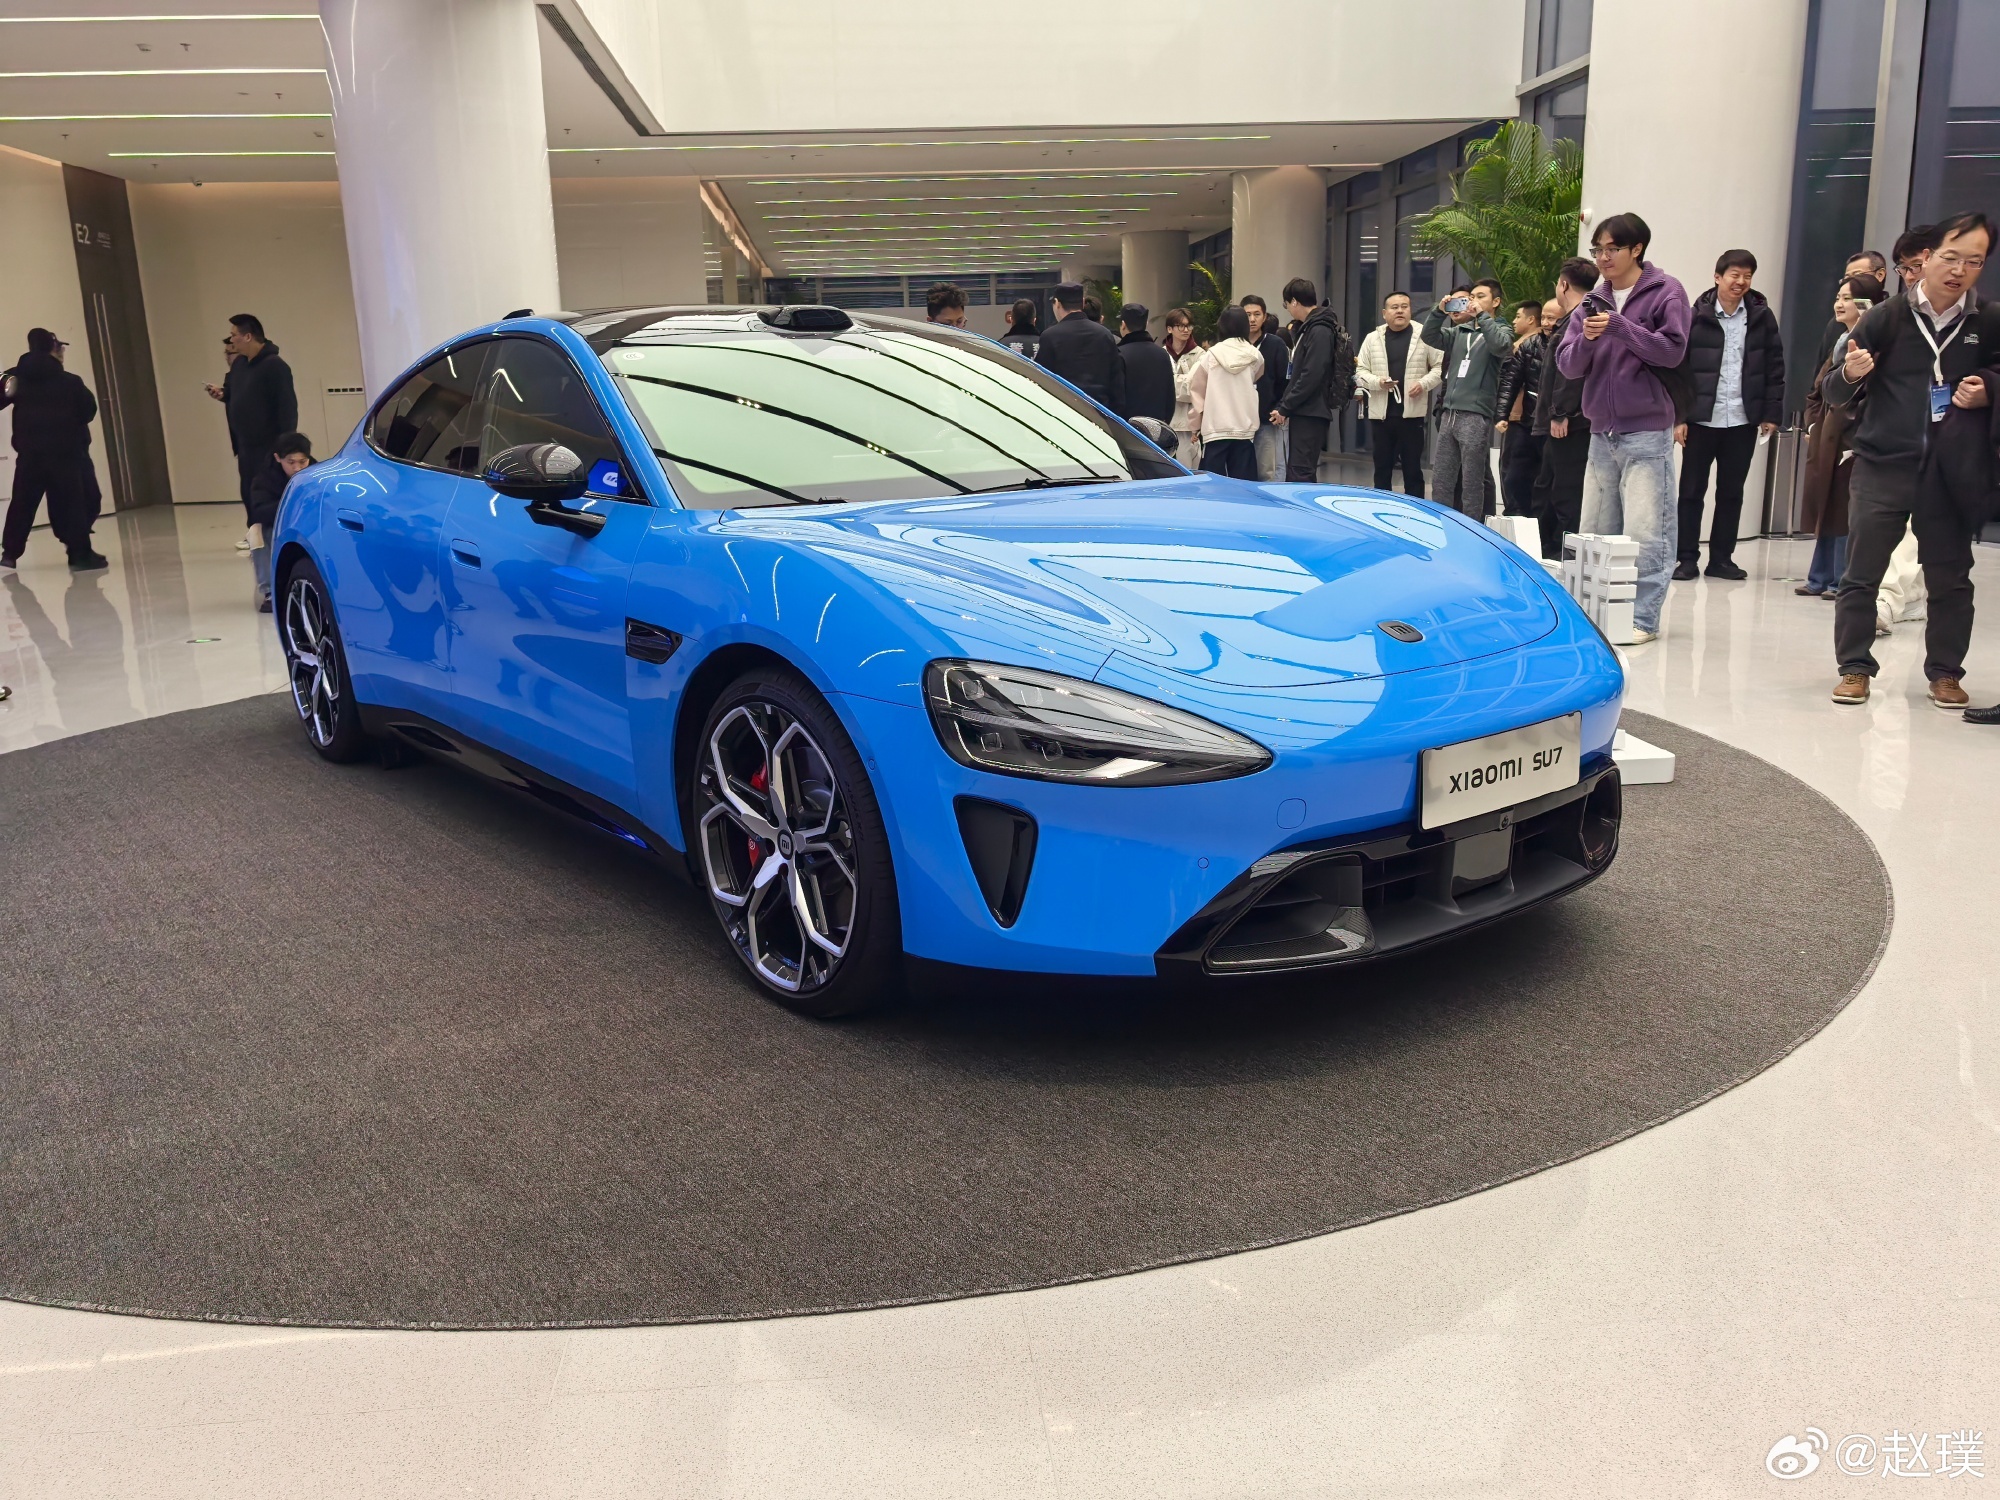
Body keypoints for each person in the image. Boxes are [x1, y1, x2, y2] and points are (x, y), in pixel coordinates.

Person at [1822, 210, 1994, 709]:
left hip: (1950, 471)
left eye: (1974, 261)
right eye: (1951, 257)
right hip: (1883, 464)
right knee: (1862, 574)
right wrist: (1851, 372)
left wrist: (1989, 389)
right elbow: (1833, 391)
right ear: (1927, 256)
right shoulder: (1887, 316)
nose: (1960, 270)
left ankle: (1945, 673)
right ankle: (1854, 667)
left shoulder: (1988, 321)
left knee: (1951, 579)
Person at [1556, 213, 1693, 645]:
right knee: (1595, 531)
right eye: (1597, 249)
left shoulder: (1666, 292)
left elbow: (1671, 352)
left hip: (1647, 430)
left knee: (1646, 530)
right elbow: (1567, 365)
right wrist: (1588, 339)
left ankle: (1642, 618)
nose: (1603, 257)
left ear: (1637, 249)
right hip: (1601, 431)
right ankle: (1595, 615)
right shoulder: (1592, 300)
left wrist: (1620, 326)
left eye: (1612, 248)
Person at [1672, 249, 1786, 581]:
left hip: (1742, 418)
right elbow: (1679, 370)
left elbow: (1775, 368)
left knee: (1731, 493)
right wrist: (1679, 417)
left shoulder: (1762, 317)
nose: (1741, 282)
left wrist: (1771, 413)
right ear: (1717, 277)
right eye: (1735, 275)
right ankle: (1686, 559)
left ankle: (1722, 559)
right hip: (1700, 419)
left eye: (1747, 276)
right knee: (1691, 492)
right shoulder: (1696, 316)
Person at [1797, 275, 1880, 599]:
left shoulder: (1872, 345)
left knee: (1844, 510)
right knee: (1826, 506)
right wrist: (1813, 425)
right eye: (1838, 297)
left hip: (1850, 439)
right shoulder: (1839, 340)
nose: (1839, 304)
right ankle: (1819, 576)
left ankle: (1839, 579)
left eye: (1848, 298)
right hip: (1826, 436)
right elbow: (1817, 390)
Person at [0, 328, 107, 572]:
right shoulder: (70, 381)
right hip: (65, 454)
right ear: (53, 349)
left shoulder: (15, 377)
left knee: (22, 503)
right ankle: (79, 554)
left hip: (30, 454)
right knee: (72, 504)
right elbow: (88, 411)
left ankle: (9, 554)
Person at [1420, 278, 1513, 518]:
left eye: (1481, 296)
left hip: (1475, 414)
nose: (1474, 301)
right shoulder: (1460, 332)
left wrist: (1482, 316)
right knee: (1442, 479)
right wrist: (1438, 311)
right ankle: (1440, 523)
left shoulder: (1502, 330)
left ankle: (1472, 527)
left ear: (1496, 301)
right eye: (1472, 297)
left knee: (1472, 482)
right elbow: (1429, 336)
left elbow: (1501, 346)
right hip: (1450, 412)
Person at [1532, 259, 1600, 560]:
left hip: (1571, 423)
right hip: (1563, 419)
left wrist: (1560, 412)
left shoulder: (1579, 319)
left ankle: (1567, 554)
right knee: (1548, 485)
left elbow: (1571, 374)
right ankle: (1548, 549)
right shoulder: (1576, 318)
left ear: (1563, 285)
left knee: (1566, 491)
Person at [204, 313, 296, 533]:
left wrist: (285, 447)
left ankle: (273, 533)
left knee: (267, 492)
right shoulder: (240, 365)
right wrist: (223, 394)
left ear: (247, 336)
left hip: (268, 446)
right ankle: (255, 533)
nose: (231, 339)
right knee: (248, 491)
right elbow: (236, 393)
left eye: (234, 335)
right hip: (245, 445)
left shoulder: (275, 366)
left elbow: (287, 408)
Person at [1354, 291, 1443, 497]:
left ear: (1410, 310)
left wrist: (1423, 384)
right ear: (1384, 313)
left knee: (1413, 471)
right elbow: (1360, 371)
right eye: (1394, 307)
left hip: (1412, 416)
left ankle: (1416, 511)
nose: (1400, 311)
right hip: (1381, 416)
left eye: (1404, 306)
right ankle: (1382, 508)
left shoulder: (1424, 335)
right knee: (1382, 469)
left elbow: (1439, 367)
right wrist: (1378, 382)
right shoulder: (1373, 338)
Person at [1272, 278, 1350, 484]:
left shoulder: (1319, 329)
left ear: (1294, 301)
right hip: (1304, 409)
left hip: (1311, 411)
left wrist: (1286, 406)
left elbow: (1311, 374)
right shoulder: (1309, 327)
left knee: (1301, 471)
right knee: (1298, 469)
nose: (1288, 309)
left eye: (1286, 304)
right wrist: (1285, 406)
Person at [1187, 306, 1264, 479]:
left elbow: (1198, 391)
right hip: (1244, 428)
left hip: (1215, 428)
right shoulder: (1255, 355)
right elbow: (1257, 376)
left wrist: (1195, 425)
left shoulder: (1211, 355)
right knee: (1244, 484)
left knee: (1212, 484)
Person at [246, 431, 314, 611]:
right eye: (291, 462)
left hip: (309, 525)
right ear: (278, 458)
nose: (297, 468)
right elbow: (259, 512)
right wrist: (292, 505)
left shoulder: (317, 474)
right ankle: (270, 591)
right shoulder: (264, 479)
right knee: (256, 532)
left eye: (303, 462)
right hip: (277, 525)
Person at [1035, 283, 1126, 414]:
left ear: (1057, 303)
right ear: (1082, 303)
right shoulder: (1104, 334)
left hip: (1065, 412)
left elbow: (1043, 380)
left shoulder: (1050, 336)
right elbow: (1116, 382)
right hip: (1101, 412)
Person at [1494, 299, 1548, 515]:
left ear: (1531, 319)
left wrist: (1503, 413)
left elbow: (1509, 381)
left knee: (1514, 472)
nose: (1514, 321)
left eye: (1518, 316)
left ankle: (1517, 515)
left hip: (1523, 417)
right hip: (1521, 416)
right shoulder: (1526, 344)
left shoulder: (1525, 345)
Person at [1239, 296, 1291, 481]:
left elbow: (1284, 381)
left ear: (1265, 316)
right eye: (1247, 315)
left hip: (1266, 418)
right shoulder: (1234, 345)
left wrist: (1280, 407)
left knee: (1266, 472)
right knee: (1239, 473)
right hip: (1238, 421)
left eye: (1257, 314)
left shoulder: (1275, 344)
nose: (1252, 319)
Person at [1816, 250, 1892, 371]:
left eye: (1858, 275)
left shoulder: (1891, 317)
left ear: (1880, 275)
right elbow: (1821, 366)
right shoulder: (1836, 323)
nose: (1851, 282)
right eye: (1847, 278)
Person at [1114, 303, 1176, 424]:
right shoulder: (1162, 354)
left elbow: (1116, 398)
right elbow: (1170, 399)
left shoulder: (1119, 354)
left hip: (1127, 428)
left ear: (1123, 324)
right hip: (1156, 427)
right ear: (1146, 324)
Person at [1163, 308, 1202, 458]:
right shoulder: (1161, 353)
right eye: (1181, 326)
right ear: (1169, 329)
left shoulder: (1200, 354)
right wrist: (1184, 381)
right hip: (1166, 422)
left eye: (1189, 326)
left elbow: (1194, 389)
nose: (1186, 330)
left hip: (1190, 426)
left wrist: (1170, 381)